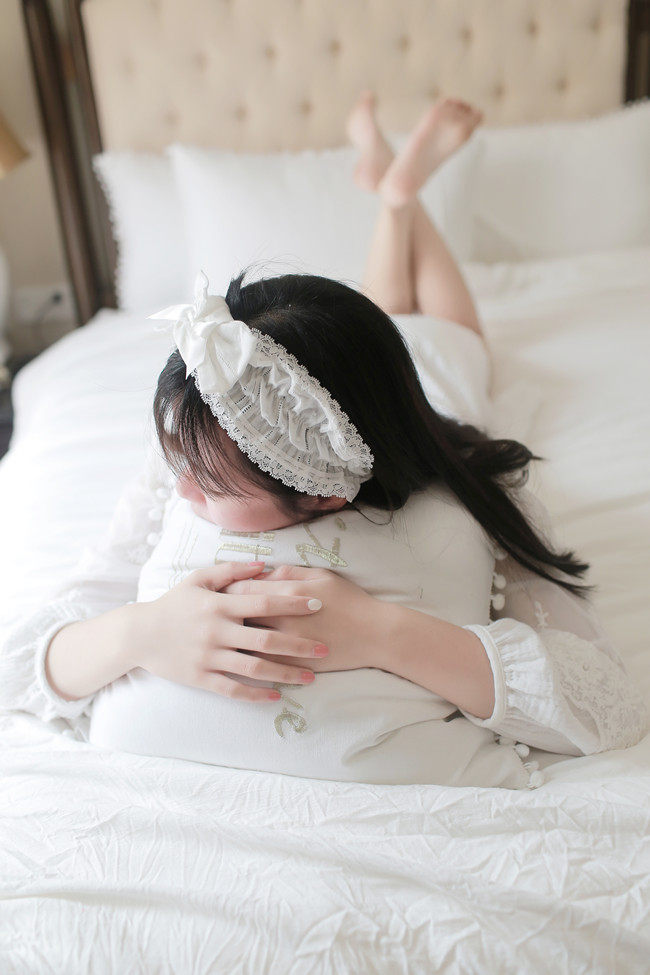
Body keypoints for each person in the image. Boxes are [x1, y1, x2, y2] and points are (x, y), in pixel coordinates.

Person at [1, 95, 647, 786]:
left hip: (427, 388)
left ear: (322, 497)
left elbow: (607, 705)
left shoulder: (474, 486)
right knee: (380, 326)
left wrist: (379, 631)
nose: (180, 488)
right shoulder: (198, 452)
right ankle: (395, 197)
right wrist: (143, 629)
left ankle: (403, 199)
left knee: (453, 338)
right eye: (181, 463)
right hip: (359, 376)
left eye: (209, 484)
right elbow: (19, 664)